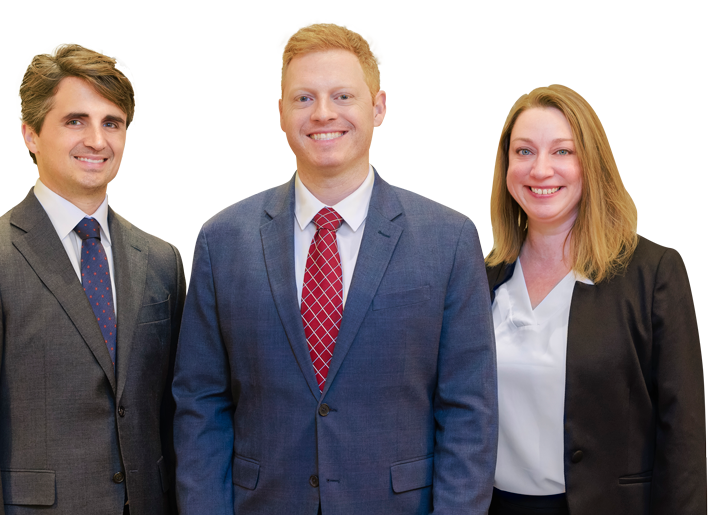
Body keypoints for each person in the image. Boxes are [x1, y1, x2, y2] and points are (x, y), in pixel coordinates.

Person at [173, 23, 497, 515]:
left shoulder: (448, 239)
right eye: (303, 98)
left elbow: (469, 410)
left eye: (342, 96)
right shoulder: (223, 240)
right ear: (281, 111)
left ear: (378, 107)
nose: (323, 113)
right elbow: (200, 402)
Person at [0, 44, 186, 514]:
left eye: (112, 123)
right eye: (75, 121)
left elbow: (170, 415)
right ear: (31, 134)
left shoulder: (160, 259)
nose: (97, 140)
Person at [486, 85, 705, 514]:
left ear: (592, 163)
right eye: (524, 151)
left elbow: (684, 435)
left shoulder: (653, 273)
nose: (540, 169)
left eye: (563, 151)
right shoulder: (482, 276)